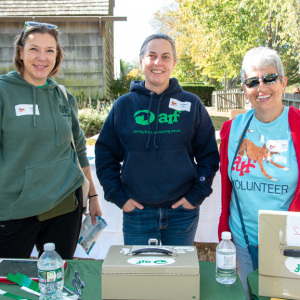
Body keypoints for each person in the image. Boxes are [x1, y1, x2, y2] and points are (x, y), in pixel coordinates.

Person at [95, 33, 219, 246]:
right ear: (141, 60)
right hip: (138, 214)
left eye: (165, 56)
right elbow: (105, 155)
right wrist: (119, 196)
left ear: (174, 63)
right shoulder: (124, 106)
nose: (158, 63)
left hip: (182, 213)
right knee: (141, 277)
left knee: (178, 275)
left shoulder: (192, 104)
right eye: (152, 56)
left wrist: (196, 194)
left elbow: (208, 156)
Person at [0, 21, 101, 259]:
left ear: (57, 56)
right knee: (10, 284)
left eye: (50, 50)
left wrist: (93, 196)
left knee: (56, 278)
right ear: (20, 52)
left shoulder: (64, 96)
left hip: (65, 204)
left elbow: (78, 150)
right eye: (34, 49)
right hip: (15, 209)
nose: (41, 57)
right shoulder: (4, 92)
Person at [218, 47, 300, 298]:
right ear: (245, 89)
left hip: (289, 244)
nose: (262, 87)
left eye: (270, 78)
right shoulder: (232, 130)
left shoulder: (297, 125)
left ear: (284, 82)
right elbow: (224, 184)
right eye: (253, 81)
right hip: (243, 240)